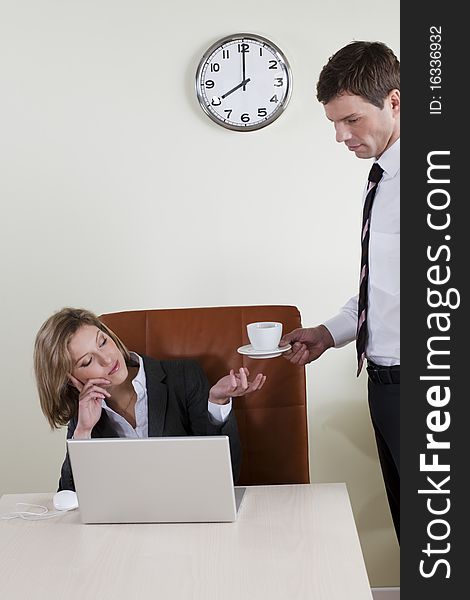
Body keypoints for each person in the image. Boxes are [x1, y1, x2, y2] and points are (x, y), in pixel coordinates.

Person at [281, 41, 400, 541]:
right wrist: (328, 334)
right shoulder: (385, 179)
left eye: (350, 120)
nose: (339, 135)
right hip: (385, 385)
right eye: (334, 122)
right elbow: (382, 291)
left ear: (395, 101)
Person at [34, 307, 266, 491]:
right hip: (123, 533)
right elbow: (69, 500)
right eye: (87, 361)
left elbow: (225, 475)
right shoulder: (85, 413)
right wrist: (83, 433)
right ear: (70, 379)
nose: (107, 359)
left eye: (103, 342)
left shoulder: (183, 376)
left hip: (190, 524)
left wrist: (217, 403)